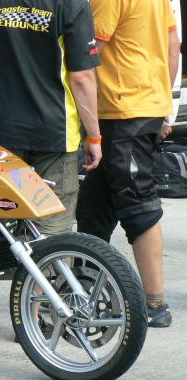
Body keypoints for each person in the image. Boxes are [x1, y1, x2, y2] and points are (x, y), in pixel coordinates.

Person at [0, 0, 102, 236]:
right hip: (54, 134)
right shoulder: (72, 3)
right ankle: (49, 260)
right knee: (52, 232)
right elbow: (82, 77)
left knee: (0, 227)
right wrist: (94, 136)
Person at [76, 0, 181, 328]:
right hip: (138, 108)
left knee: (138, 204)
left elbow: (88, 54)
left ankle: (155, 304)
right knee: (94, 208)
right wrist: (163, 105)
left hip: (123, 111)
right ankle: (85, 292)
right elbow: (173, 44)